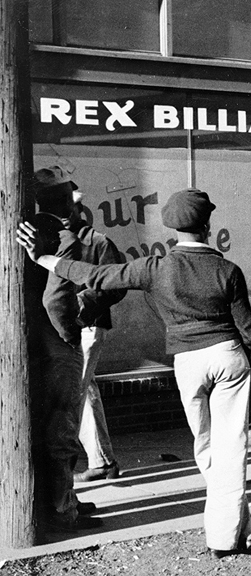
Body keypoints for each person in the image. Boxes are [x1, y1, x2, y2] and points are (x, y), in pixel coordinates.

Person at [17, 188, 251, 558]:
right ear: (208, 225)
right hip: (229, 357)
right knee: (230, 449)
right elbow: (249, 330)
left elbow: (96, 275)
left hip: (187, 363)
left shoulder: (154, 268)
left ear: (171, 226)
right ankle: (225, 536)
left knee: (205, 447)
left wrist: (44, 257)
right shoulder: (228, 270)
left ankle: (243, 527)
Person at [34, 167, 127, 484]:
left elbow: (116, 286)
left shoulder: (95, 241)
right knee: (84, 390)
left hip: (84, 327)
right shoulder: (50, 237)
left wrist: (81, 308)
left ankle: (101, 462)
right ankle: (103, 460)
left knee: (77, 393)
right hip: (69, 329)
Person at [23, 203, 102, 532]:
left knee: (50, 430)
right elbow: (56, 299)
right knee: (61, 431)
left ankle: (62, 501)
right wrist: (72, 331)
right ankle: (62, 509)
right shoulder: (64, 237)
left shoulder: (35, 231)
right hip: (58, 343)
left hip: (37, 343)